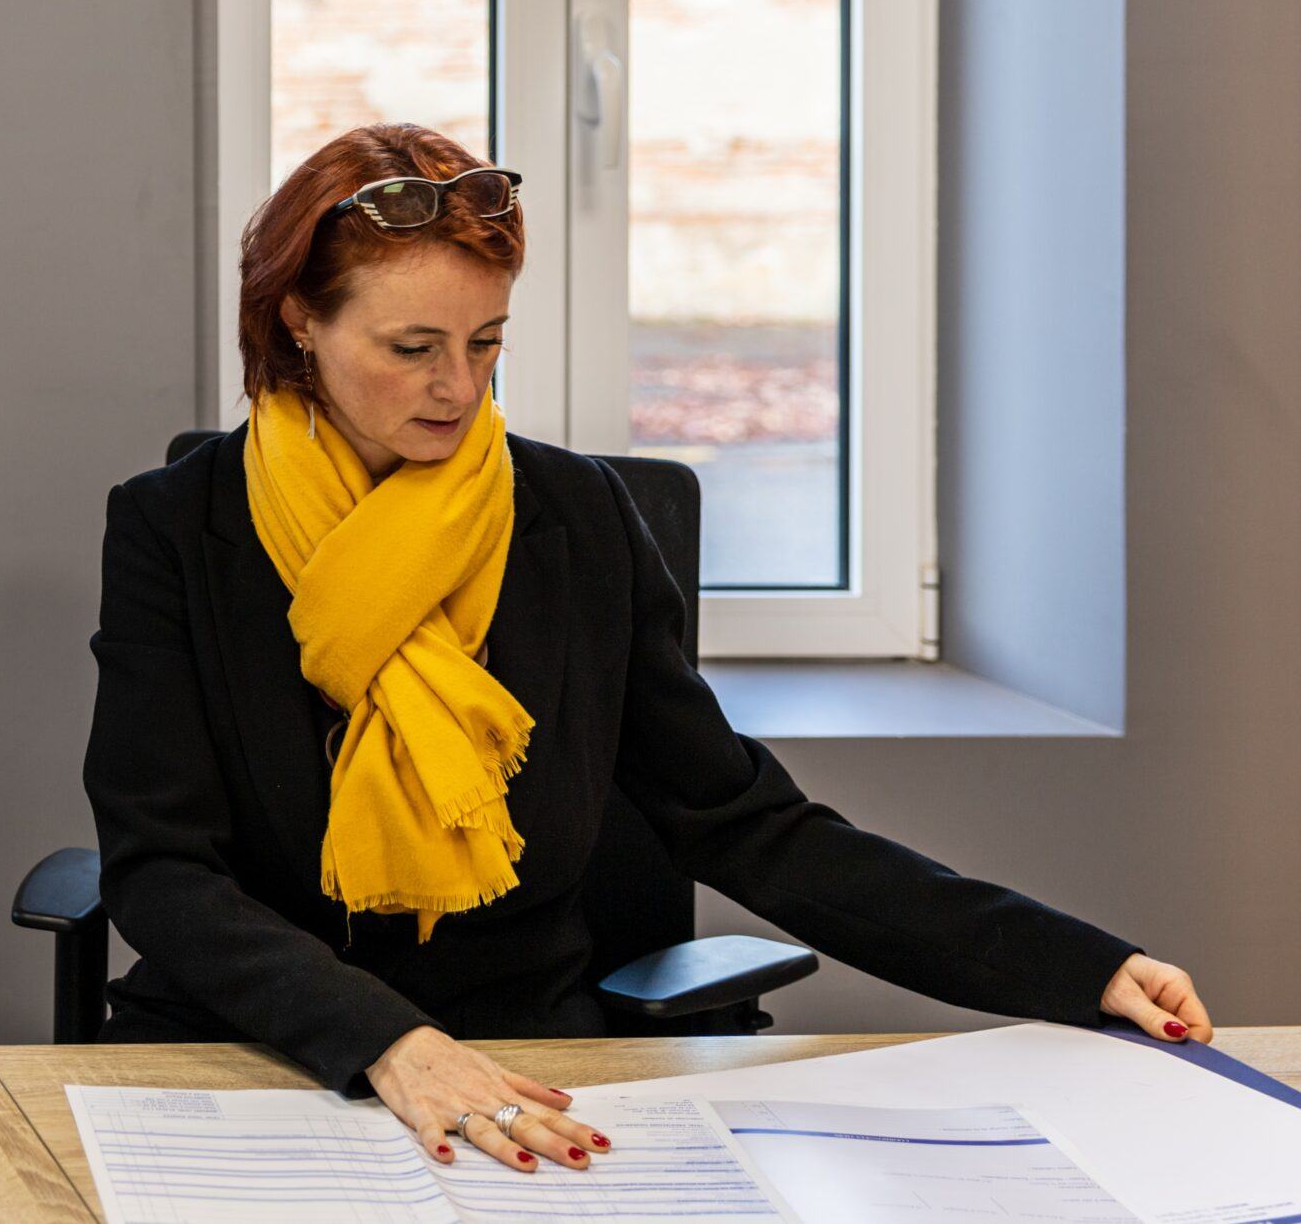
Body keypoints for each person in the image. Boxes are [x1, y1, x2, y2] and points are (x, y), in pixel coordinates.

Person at [82, 122, 1209, 1178]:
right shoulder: (177, 528)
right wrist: (387, 1041)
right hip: (244, 1045)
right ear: (295, 322)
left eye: (486, 343)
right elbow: (162, 867)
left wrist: (1079, 968)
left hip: (525, 1054)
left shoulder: (577, 517)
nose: (458, 388)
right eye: (411, 347)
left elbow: (746, 824)